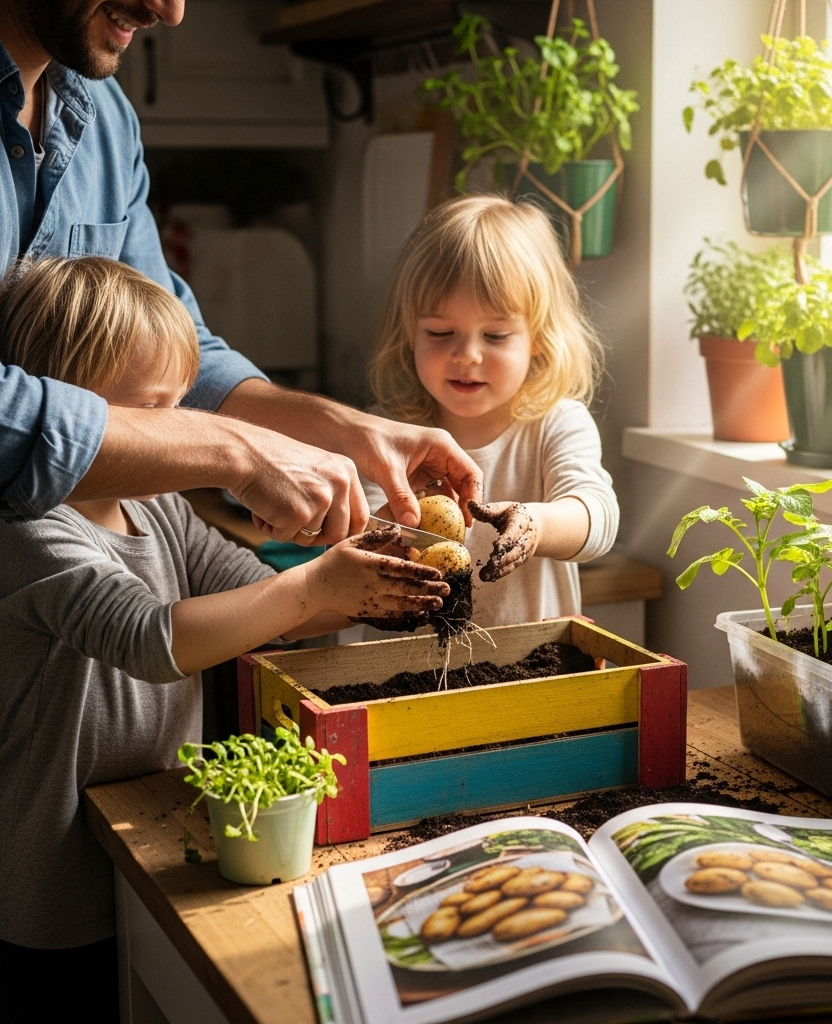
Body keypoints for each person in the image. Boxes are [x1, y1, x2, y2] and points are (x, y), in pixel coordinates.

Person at [0, 256, 451, 1022]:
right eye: (153, 413)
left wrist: (369, 587)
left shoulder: (159, 505)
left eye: (184, 408)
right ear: (73, 417)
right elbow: (145, 636)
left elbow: (253, 598)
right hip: (49, 878)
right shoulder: (27, 525)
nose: (183, 437)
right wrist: (313, 585)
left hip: (153, 831)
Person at [0, 0, 482, 540]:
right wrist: (236, 451)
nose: (170, 10)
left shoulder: (105, 120)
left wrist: (352, 433)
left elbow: (183, 359)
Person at [365, 194, 620, 627]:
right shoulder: (390, 435)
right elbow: (364, 537)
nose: (466, 355)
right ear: (411, 333)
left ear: (538, 337)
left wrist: (535, 524)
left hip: (532, 674)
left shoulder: (556, 425)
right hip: (410, 680)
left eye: (496, 335)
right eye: (440, 332)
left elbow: (596, 517)